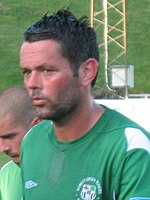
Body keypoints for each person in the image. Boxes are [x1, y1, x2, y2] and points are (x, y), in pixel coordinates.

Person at [20, 8, 150, 200]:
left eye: (46, 70)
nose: (32, 83)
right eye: (27, 72)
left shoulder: (130, 147)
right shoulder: (31, 141)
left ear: (86, 72)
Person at [0, 86, 41, 200]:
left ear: (36, 126)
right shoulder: (5, 175)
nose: (3, 148)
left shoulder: (68, 167)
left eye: (9, 137)